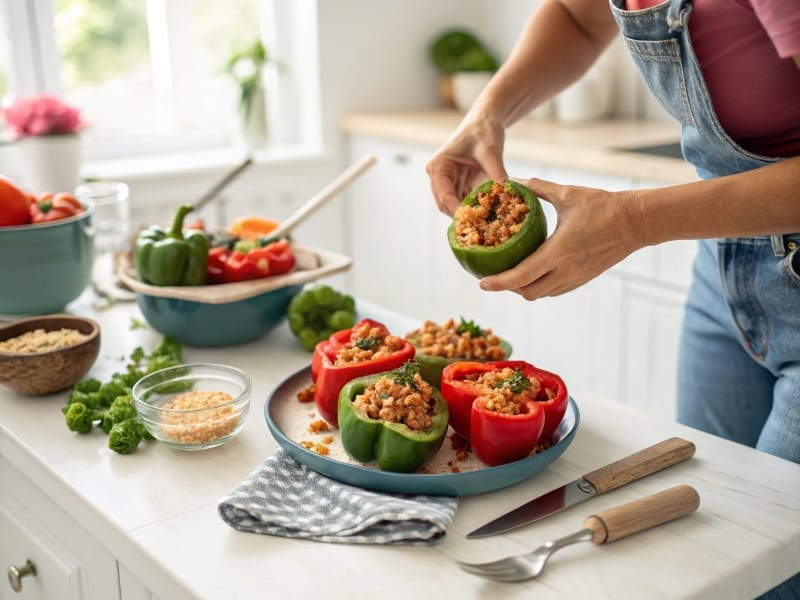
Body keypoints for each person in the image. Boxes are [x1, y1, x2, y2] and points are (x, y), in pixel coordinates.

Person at [427, 1, 799, 596]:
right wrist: (489, 112)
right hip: (723, 269)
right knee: (702, 541)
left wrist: (632, 219)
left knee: (772, 566)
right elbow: (577, 19)